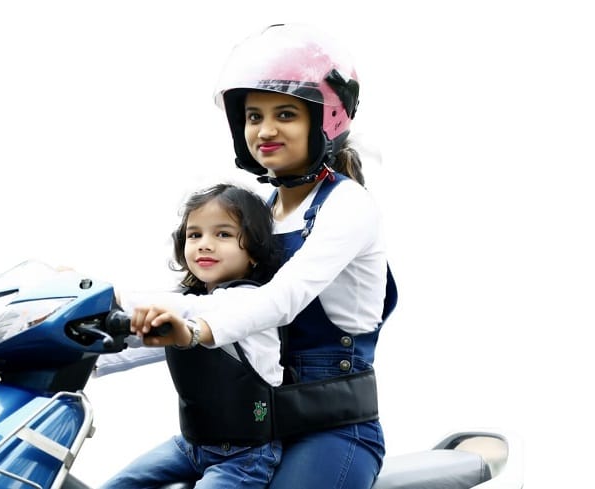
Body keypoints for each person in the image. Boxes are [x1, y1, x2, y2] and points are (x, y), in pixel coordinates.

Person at [115, 23, 398, 489]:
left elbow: (280, 299)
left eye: (285, 114)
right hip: (255, 426)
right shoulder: (261, 213)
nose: (264, 130)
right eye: (253, 116)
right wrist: (98, 313)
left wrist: (195, 330)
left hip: (332, 427)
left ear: (325, 120)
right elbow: (205, 303)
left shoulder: (348, 205)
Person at [101, 183, 284, 488]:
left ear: (254, 252)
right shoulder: (191, 304)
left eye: (223, 234)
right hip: (192, 445)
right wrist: (83, 357)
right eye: (195, 235)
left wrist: (109, 296)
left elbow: (190, 310)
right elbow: (136, 345)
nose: (205, 245)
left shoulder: (250, 301)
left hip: (244, 457)